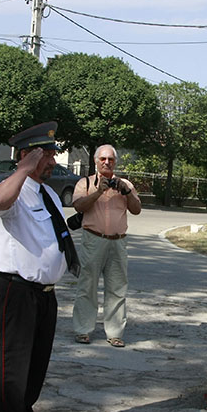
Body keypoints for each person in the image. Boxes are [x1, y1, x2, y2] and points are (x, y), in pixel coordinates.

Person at [0, 121, 79, 412]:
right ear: (26, 155)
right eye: (46, 154)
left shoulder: (48, 193)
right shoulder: (9, 188)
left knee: (35, 367)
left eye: (53, 153)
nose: (53, 160)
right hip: (17, 293)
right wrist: (23, 169)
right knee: (12, 366)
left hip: (45, 295)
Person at [71, 144, 141, 347]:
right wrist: (98, 193)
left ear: (115, 162)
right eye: (103, 159)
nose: (107, 162)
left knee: (117, 289)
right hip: (93, 239)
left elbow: (136, 210)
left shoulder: (124, 184)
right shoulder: (84, 183)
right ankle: (83, 330)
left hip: (118, 242)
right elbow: (78, 205)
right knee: (87, 286)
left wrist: (127, 192)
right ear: (95, 161)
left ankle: (115, 333)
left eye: (110, 159)